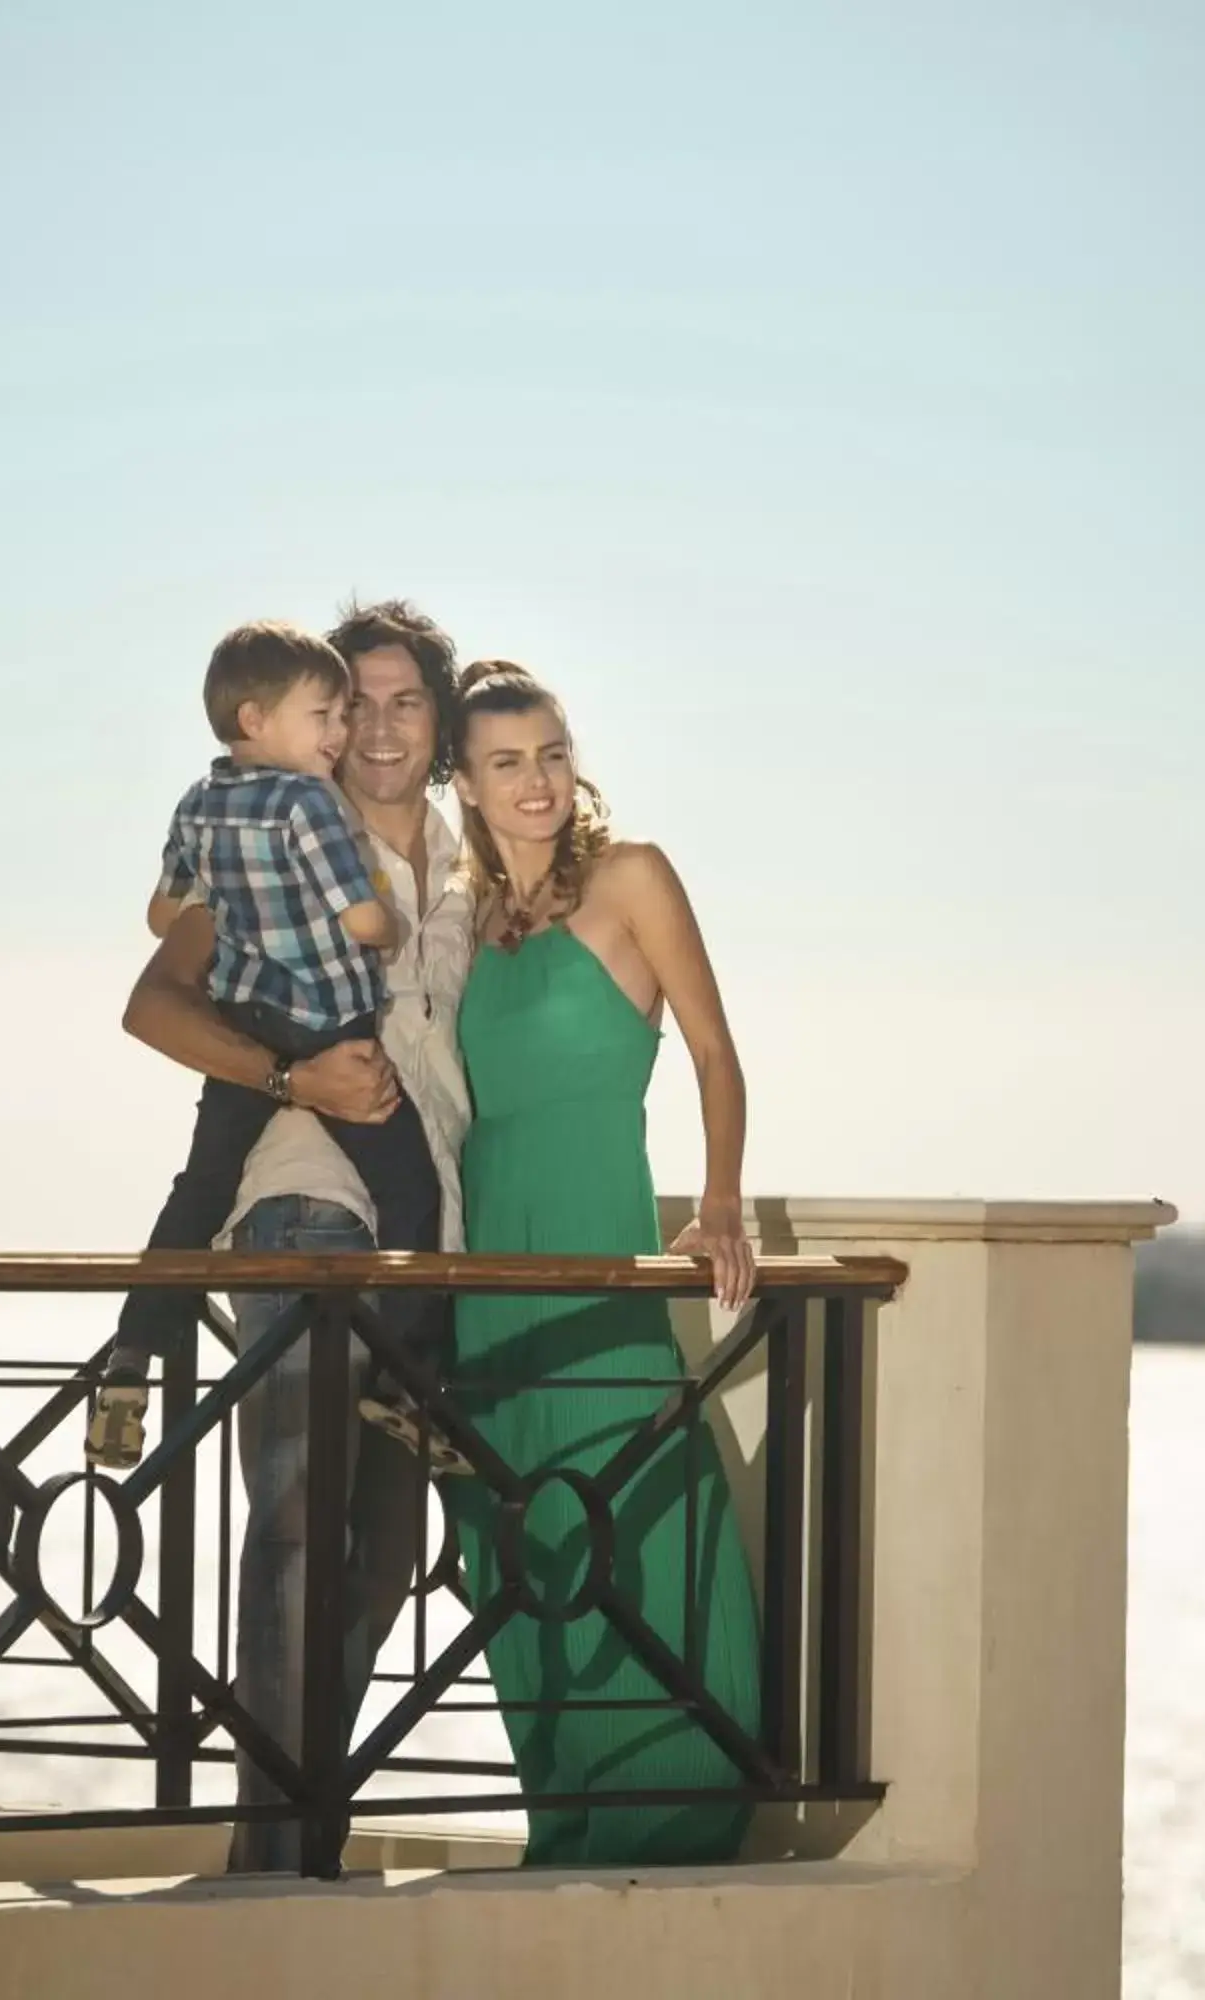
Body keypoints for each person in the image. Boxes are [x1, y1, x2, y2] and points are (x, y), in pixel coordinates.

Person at [109, 599, 477, 1874]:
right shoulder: (271, 829)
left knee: (384, 1557)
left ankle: (303, 1809)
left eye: (404, 700)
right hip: (309, 1193)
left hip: (429, 1224)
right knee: (294, 1527)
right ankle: (271, 1855)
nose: (374, 723)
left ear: (436, 723)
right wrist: (292, 1078)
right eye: (354, 699)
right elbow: (155, 1003)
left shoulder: (468, 859)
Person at [437, 656, 762, 1869]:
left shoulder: (632, 878)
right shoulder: (462, 916)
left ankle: (672, 1796)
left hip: (597, 1244)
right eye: (508, 763)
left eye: (554, 754)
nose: (539, 784)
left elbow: (716, 1054)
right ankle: (561, 1806)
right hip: (488, 1271)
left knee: (622, 1505)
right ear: (464, 784)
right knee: (517, 1538)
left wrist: (721, 1202)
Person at [96, 620, 445, 1461]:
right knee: (412, 1195)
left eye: (403, 704)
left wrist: (235, 908)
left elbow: (159, 911)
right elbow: (361, 921)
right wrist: (379, 924)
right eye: (336, 710)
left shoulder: (200, 805)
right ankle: (408, 1384)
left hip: (253, 1011)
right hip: (325, 1078)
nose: (351, 731)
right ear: (259, 718)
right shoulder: (310, 806)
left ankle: (129, 1361)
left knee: (198, 1187)